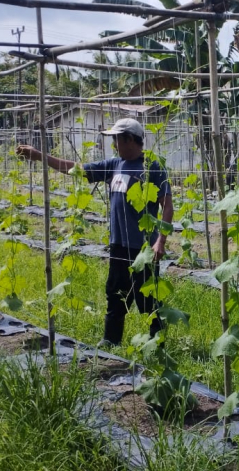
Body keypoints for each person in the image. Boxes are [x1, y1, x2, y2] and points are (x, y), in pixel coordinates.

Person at [16, 117, 173, 348]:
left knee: (148, 297)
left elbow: (167, 205)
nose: (114, 145)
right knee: (115, 293)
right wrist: (40, 156)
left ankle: (157, 344)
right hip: (118, 244)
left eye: (116, 139)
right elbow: (75, 169)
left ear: (129, 139)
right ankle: (110, 341)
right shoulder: (114, 164)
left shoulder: (152, 167)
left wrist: (160, 241)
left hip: (143, 248)